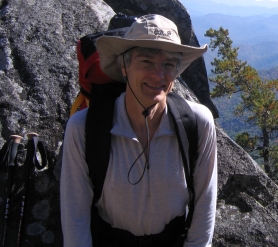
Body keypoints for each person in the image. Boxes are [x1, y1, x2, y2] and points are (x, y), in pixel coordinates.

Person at [60, 14, 217, 247]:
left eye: (169, 65)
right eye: (146, 61)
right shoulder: (85, 128)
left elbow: (205, 202)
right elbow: (75, 216)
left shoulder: (197, 123)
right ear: (124, 65)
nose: (158, 75)